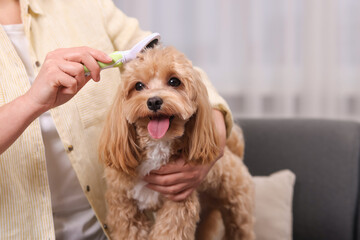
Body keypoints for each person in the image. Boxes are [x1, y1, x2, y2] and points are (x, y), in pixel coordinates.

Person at [0, 0, 233, 239]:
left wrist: (211, 146)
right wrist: (31, 102)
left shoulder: (88, 5)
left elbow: (175, 64)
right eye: (140, 87)